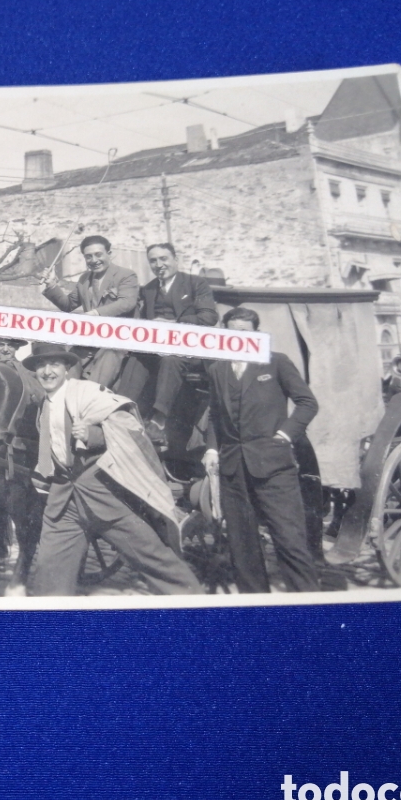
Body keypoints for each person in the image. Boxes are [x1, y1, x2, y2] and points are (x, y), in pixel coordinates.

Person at [22, 343, 204, 597]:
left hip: (102, 494)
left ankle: (198, 606)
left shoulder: (86, 393)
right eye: (41, 365)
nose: (47, 371)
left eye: (54, 364)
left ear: (66, 369)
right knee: (49, 574)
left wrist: (92, 434)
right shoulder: (44, 405)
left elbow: (127, 424)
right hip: (64, 500)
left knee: (154, 559)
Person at [202, 307, 321, 593]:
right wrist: (212, 449)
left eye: (243, 332)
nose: (237, 337)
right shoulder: (218, 369)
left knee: (290, 542)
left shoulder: (276, 362)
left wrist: (286, 434)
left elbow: (307, 403)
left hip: (273, 467)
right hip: (233, 469)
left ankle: (310, 607)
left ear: (256, 334)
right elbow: (216, 415)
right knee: (242, 548)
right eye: (231, 331)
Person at [119, 242, 219, 449]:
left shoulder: (195, 283)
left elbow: (209, 317)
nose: (159, 264)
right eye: (153, 261)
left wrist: (175, 325)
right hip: (158, 348)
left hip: (190, 349)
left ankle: (158, 419)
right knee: (136, 355)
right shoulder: (148, 289)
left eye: (164, 259)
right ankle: (122, 410)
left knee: (171, 358)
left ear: (175, 259)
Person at [40, 235, 139, 386]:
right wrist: (52, 285)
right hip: (89, 341)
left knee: (94, 385)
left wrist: (96, 313)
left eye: (99, 254)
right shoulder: (84, 279)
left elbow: (127, 302)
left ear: (109, 254)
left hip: (116, 341)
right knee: (66, 365)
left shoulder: (126, 275)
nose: (94, 260)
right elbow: (68, 304)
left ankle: (91, 399)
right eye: (89, 256)